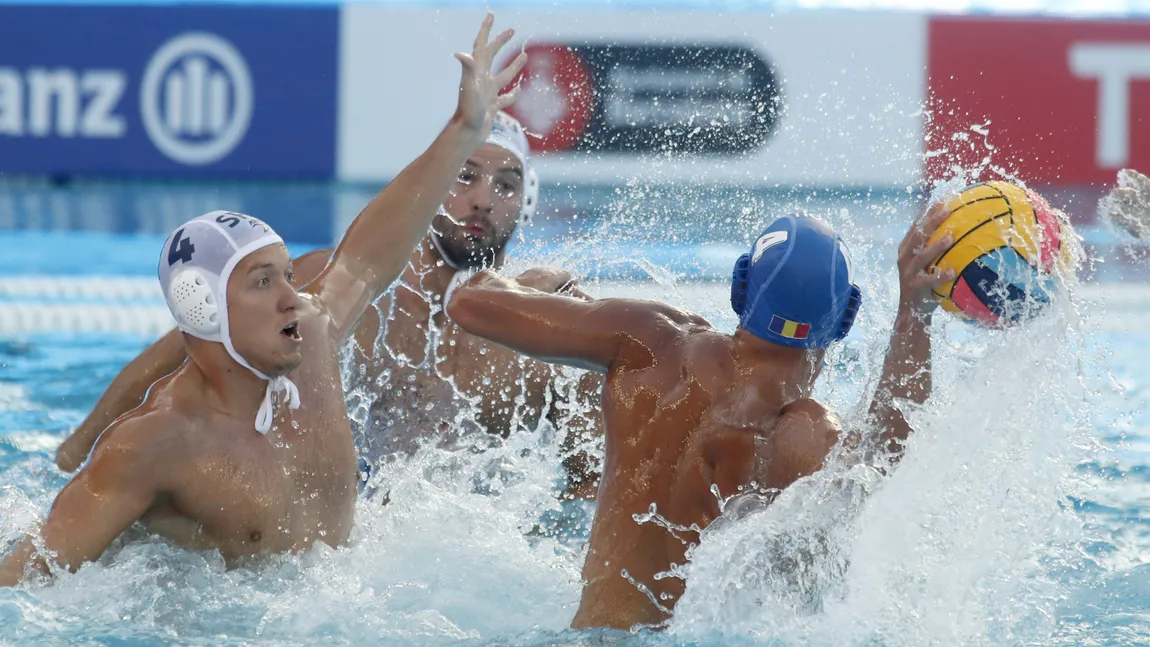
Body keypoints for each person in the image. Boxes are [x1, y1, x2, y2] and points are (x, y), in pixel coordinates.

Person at [0, 13, 526, 587]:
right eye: (262, 282)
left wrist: (464, 128)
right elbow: (26, 584)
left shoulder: (314, 338)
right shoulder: (157, 442)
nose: (292, 297)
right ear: (203, 308)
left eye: (286, 276)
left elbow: (364, 261)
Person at [446, 205, 958, 629]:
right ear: (845, 319)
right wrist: (915, 315)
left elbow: (469, 304)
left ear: (740, 288)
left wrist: (547, 283)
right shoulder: (802, 432)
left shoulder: (649, 338)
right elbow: (883, 459)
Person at [54, 111, 603, 499]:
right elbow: (177, 354)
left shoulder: (547, 327)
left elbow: (587, 485)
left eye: (506, 185)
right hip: (333, 518)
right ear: (432, 185)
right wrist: (73, 456)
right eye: (465, 176)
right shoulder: (324, 281)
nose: (483, 198)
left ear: (526, 203)